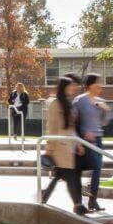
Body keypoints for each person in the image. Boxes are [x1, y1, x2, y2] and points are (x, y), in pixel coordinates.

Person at [42, 76, 88, 215]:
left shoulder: (69, 103)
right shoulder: (55, 104)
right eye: (70, 86)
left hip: (70, 146)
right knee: (71, 177)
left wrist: (78, 143)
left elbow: (72, 127)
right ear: (64, 87)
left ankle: (44, 198)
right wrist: (49, 150)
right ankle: (78, 205)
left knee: (62, 176)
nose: (74, 88)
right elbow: (52, 127)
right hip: (60, 147)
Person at [75, 73, 110, 212]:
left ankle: (92, 200)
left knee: (98, 169)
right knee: (95, 166)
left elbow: (104, 122)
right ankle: (86, 199)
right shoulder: (80, 100)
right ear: (89, 84)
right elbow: (74, 120)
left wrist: (105, 109)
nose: (100, 85)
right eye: (98, 82)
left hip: (98, 138)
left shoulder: (100, 100)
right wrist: (83, 134)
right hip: (85, 140)